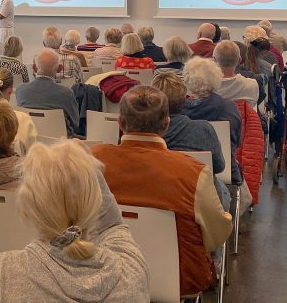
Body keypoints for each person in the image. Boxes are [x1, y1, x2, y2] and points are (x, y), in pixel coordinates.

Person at [0, 141, 149, 302]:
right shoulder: (132, 270)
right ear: (94, 204)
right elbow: (113, 225)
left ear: (28, 212)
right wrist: (88, 170)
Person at [91, 86, 232, 297]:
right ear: (166, 124)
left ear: (120, 123)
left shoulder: (89, 161)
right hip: (179, 280)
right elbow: (215, 235)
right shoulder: (193, 172)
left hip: (101, 274)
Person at [181, 58, 243, 185]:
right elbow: (237, 143)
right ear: (216, 78)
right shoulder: (229, 108)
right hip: (225, 175)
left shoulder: (178, 111)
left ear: (187, 80)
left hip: (184, 175)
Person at [151, 72, 224, 175]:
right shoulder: (204, 129)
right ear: (184, 98)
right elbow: (219, 167)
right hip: (198, 187)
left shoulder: (142, 135)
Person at [16, 49, 79, 137]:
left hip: (29, 142)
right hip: (60, 144)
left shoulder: (20, 90)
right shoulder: (66, 93)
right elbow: (75, 124)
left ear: (34, 68)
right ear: (60, 69)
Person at [214, 40, 259, 107]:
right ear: (239, 60)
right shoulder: (252, 85)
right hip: (241, 117)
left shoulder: (206, 88)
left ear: (214, 59)